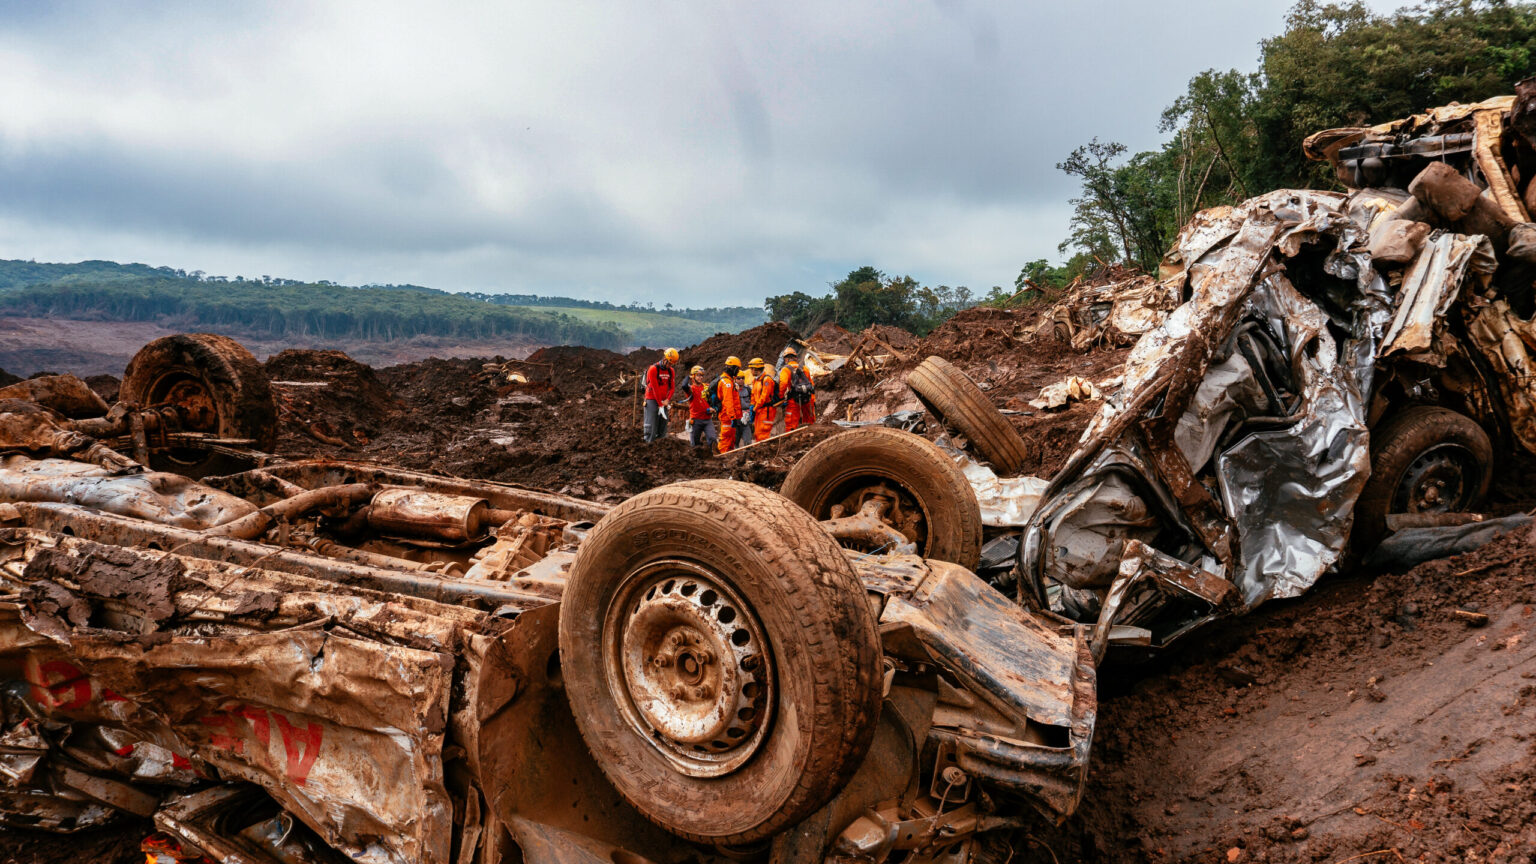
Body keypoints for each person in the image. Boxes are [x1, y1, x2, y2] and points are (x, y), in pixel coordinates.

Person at [642, 348, 679, 442]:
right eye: (669, 363)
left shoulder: (671, 371)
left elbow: (672, 388)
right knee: (651, 424)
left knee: (663, 424)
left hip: (663, 400)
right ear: (665, 359)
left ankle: (660, 444)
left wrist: (667, 400)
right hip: (652, 399)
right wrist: (660, 404)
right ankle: (648, 443)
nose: (670, 366)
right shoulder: (653, 369)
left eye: (672, 364)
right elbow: (655, 389)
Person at [778, 347, 816, 431]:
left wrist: (781, 397)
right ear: (795, 358)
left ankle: (792, 439)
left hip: (794, 399)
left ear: (786, 359)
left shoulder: (785, 369)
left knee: (791, 423)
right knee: (809, 422)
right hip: (807, 398)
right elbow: (811, 384)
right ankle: (811, 436)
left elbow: (783, 384)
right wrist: (812, 400)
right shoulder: (804, 368)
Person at [715, 357, 744, 453]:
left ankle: (729, 460)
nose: (738, 372)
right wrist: (732, 417)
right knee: (725, 441)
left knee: (731, 440)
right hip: (728, 417)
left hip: (731, 416)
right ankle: (721, 460)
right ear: (733, 368)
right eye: (737, 369)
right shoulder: (727, 383)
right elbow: (728, 401)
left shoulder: (729, 380)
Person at [682, 366, 714, 448]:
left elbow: (715, 393)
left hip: (707, 419)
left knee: (712, 439)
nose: (701, 377)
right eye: (698, 375)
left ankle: (713, 457)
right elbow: (684, 386)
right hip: (696, 420)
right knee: (695, 444)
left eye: (702, 375)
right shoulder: (691, 389)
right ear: (693, 376)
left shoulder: (706, 386)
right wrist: (688, 377)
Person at [748, 357, 777, 441]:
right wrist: (752, 405)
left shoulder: (766, 380)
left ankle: (765, 452)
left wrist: (755, 408)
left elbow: (764, 397)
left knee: (763, 433)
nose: (750, 371)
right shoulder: (755, 381)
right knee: (757, 433)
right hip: (759, 410)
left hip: (766, 410)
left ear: (756, 369)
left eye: (751, 369)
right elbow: (753, 395)